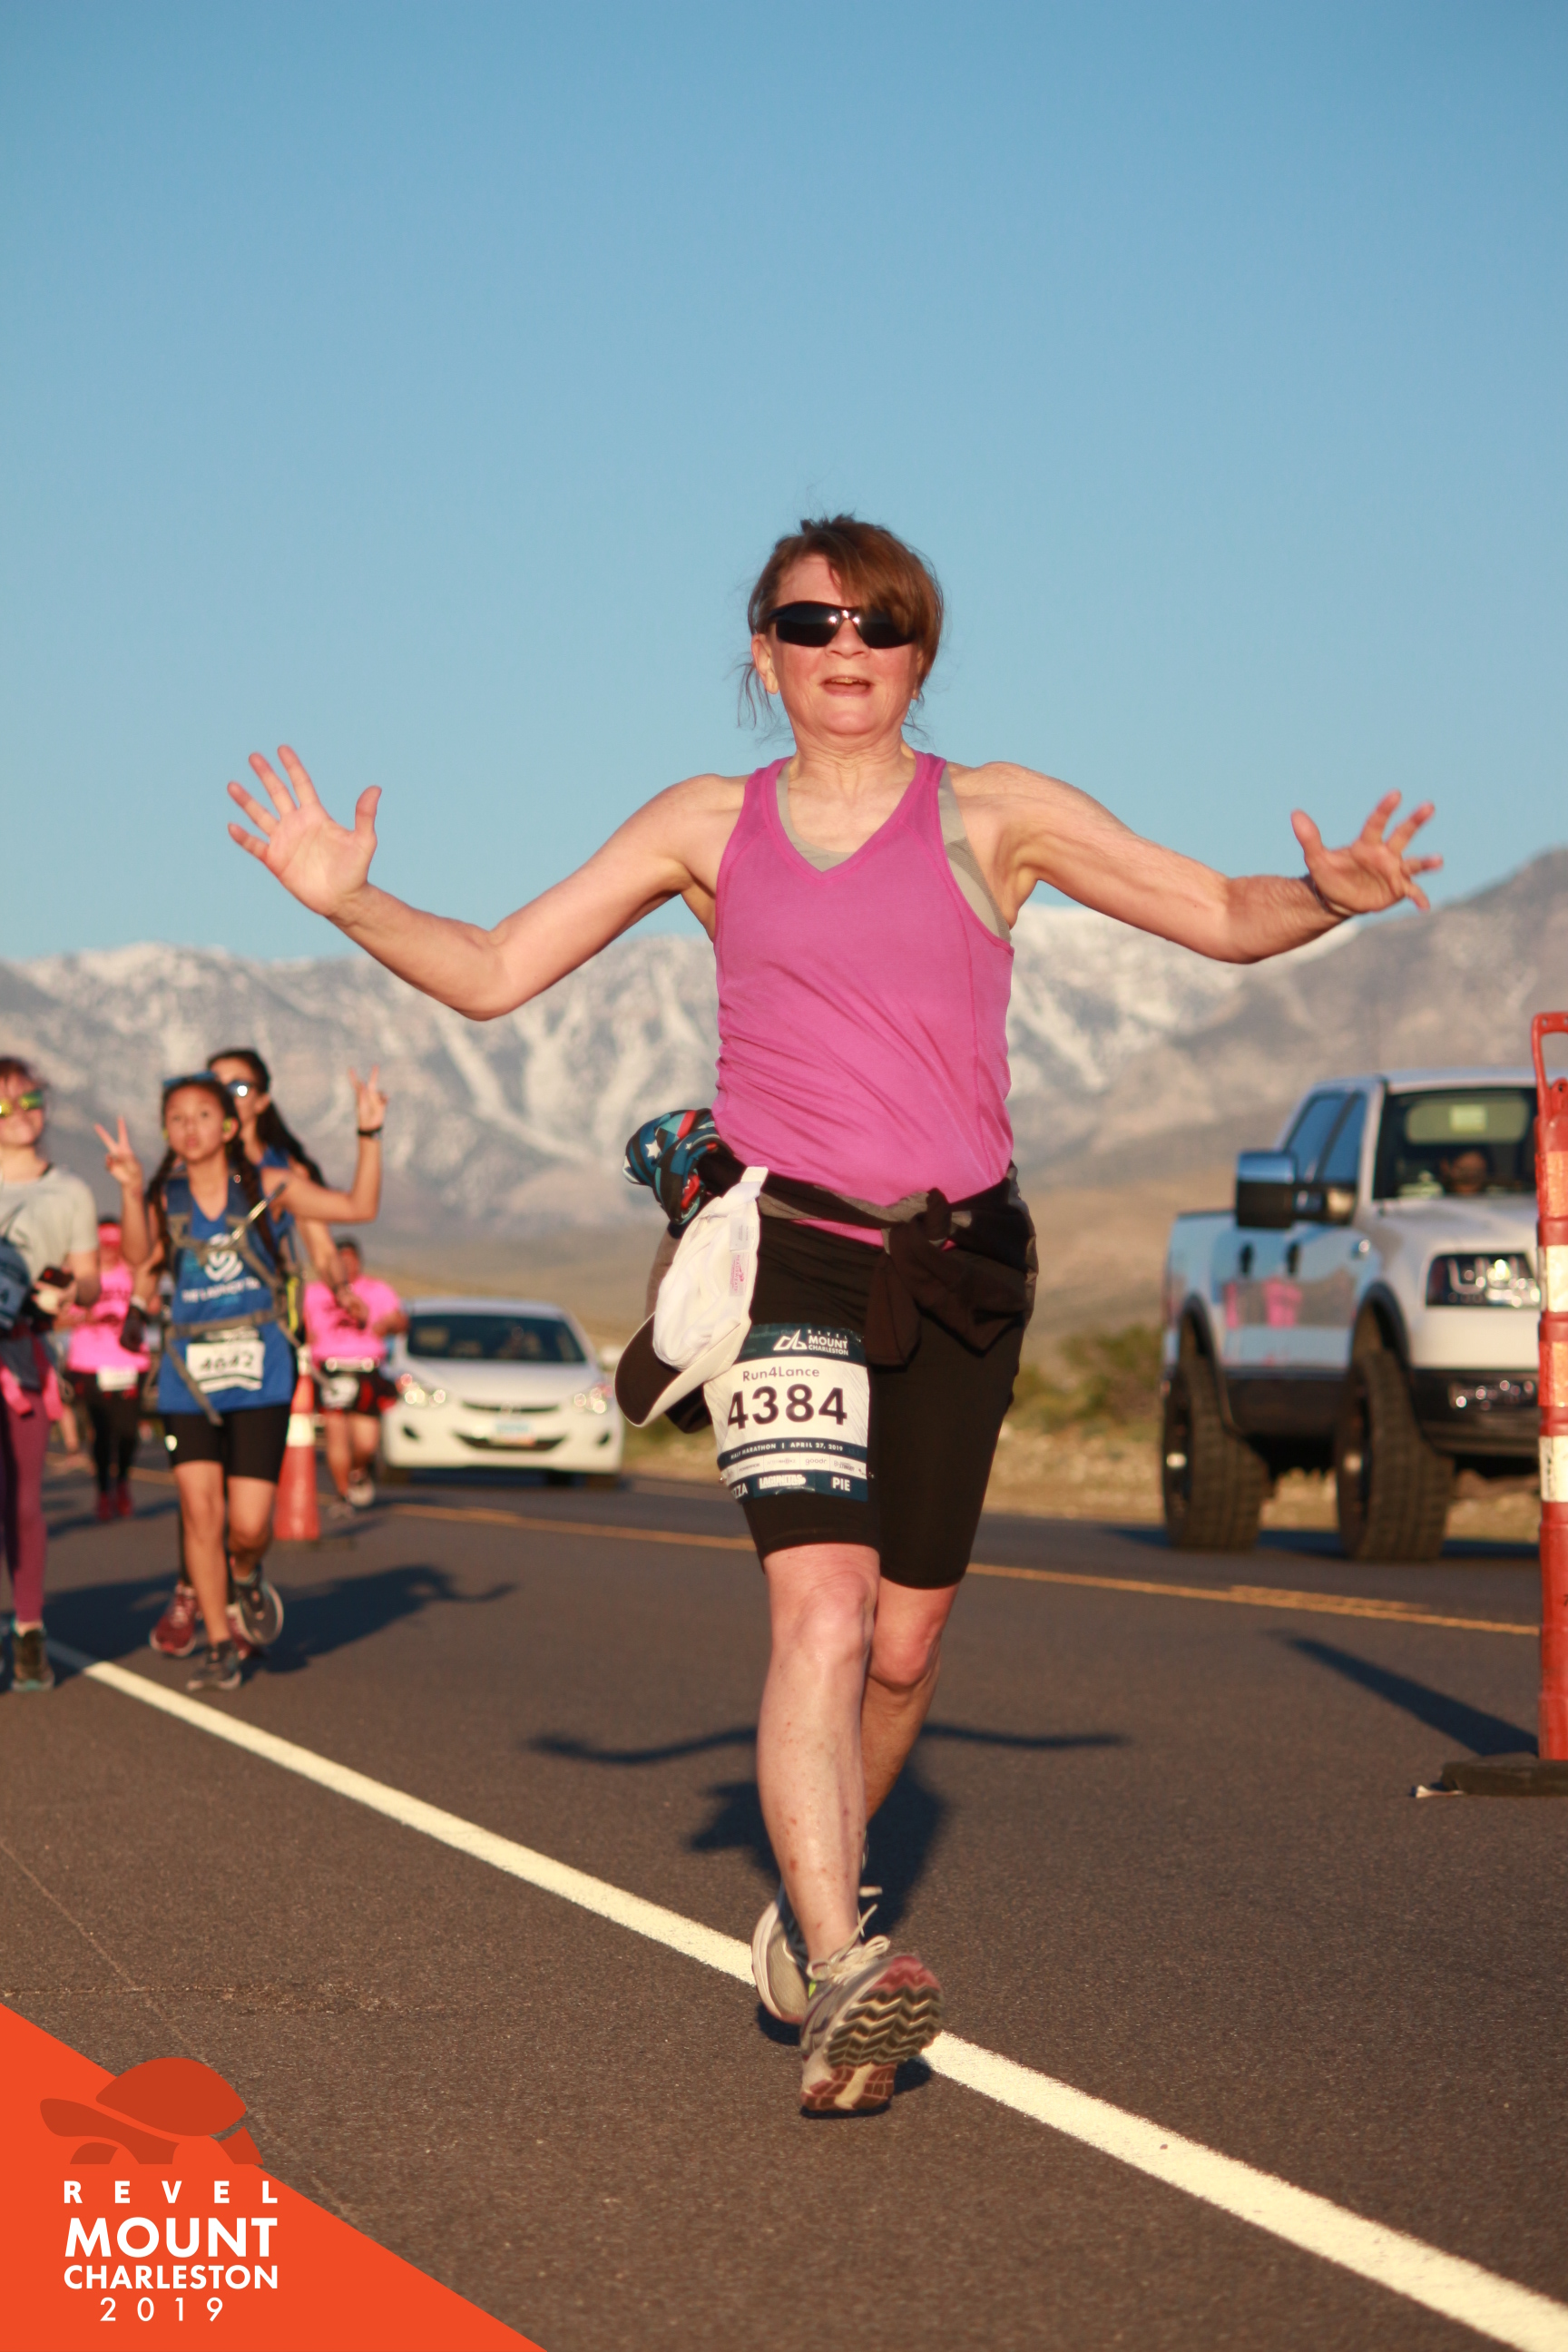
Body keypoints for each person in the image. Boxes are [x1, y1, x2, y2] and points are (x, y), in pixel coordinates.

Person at [226, 513, 1440, 2114]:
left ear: (921, 651)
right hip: (786, 1254)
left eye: (879, 621)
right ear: (765, 652)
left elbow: (1217, 913)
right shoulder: (702, 825)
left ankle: (816, 1913)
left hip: (962, 1265)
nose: (845, 646)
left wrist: (1328, 895)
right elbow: (496, 967)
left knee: (905, 1644)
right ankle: (842, 1950)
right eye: (811, 623)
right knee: (822, 1611)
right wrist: (349, 902)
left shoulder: (996, 813)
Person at [130, 1068, 387, 1693]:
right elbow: (140, 1259)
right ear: (166, 1130)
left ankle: (244, 1573)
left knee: (247, 1527)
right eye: (176, 1119)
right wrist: (131, 1189)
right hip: (188, 1377)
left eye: (202, 1115)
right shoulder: (166, 1196)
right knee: (200, 1513)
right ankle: (221, 1643)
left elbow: (358, 1208)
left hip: (261, 1373)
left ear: (228, 1125)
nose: (190, 1128)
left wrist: (369, 1135)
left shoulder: (269, 1186)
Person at [0, 1057, 148, 1691]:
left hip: (23, 1354)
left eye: (30, 1099)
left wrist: (67, 1291)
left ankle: (29, 1630)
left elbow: (89, 1279)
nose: (20, 1113)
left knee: (24, 1501)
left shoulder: (71, 1193)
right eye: (3, 1103)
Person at [61, 1216, 156, 1520]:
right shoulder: (79, 1275)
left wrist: (137, 1309)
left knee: (127, 1431)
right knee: (101, 1431)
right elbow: (57, 1315)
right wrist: (83, 1316)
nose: (110, 1249)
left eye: (116, 1243)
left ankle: (123, 1482)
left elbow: (155, 1306)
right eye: (104, 1243)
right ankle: (103, 1492)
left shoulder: (133, 1273)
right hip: (90, 1362)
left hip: (130, 1362)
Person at [302, 1239, 407, 1511]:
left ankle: (359, 1469)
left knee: (366, 1440)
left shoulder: (376, 1290)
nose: (347, 1266)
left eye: (351, 1260)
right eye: (341, 1261)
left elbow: (400, 1320)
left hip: (366, 1369)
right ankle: (342, 1494)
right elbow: (301, 1325)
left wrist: (389, 1323)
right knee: (336, 1434)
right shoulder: (314, 1293)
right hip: (330, 1369)